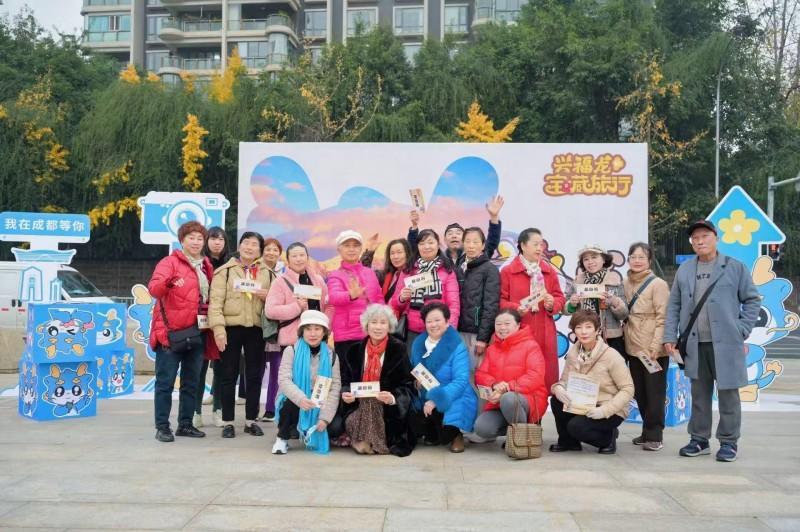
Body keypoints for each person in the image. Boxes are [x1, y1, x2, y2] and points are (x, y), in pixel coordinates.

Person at [663, 219, 760, 462]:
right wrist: (669, 336)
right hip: (695, 344)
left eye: (705, 236)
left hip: (727, 344)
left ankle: (728, 442)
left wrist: (742, 329)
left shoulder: (734, 267)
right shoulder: (685, 270)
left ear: (716, 238)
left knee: (728, 395)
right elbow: (674, 305)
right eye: (695, 238)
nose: (700, 241)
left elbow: (752, 300)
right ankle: (699, 439)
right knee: (699, 395)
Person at [148, 221, 214, 442]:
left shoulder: (205, 265)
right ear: (182, 240)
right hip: (170, 333)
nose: (196, 242)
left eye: (199, 238)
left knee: (191, 382)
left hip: (197, 331)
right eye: (191, 238)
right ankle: (162, 427)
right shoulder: (169, 262)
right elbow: (154, 289)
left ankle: (185, 424)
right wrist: (167, 283)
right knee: (165, 383)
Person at [208, 232, 272, 439]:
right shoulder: (224, 272)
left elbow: (278, 300)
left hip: (256, 329)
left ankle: (251, 420)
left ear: (260, 250)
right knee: (228, 375)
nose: (249, 247)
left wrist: (268, 295)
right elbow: (215, 303)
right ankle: (228, 422)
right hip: (230, 328)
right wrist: (218, 329)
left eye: (254, 244)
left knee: (254, 376)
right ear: (239, 246)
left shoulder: (268, 273)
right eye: (246, 243)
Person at [550, 309, 633, 454]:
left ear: (597, 330)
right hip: (584, 403)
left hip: (608, 407)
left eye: (588, 327)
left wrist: (604, 411)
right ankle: (569, 442)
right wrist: (558, 388)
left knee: (576, 427)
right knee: (557, 401)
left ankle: (608, 437)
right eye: (579, 327)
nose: (583, 332)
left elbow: (628, 389)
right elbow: (564, 381)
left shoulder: (611, 355)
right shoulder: (573, 354)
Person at [340, 304, 417, 456]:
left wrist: (393, 398)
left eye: (383, 322)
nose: (378, 327)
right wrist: (346, 393)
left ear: (389, 326)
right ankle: (368, 442)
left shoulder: (399, 349)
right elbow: (346, 382)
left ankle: (364, 442)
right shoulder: (354, 350)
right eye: (374, 322)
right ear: (366, 325)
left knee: (373, 402)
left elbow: (408, 385)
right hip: (358, 407)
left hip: (388, 410)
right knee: (367, 403)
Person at [499, 228, 566, 390]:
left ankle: (540, 406)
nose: (539, 248)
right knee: (519, 377)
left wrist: (552, 304)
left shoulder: (549, 271)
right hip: (519, 329)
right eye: (535, 244)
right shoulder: (508, 272)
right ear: (523, 245)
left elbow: (559, 297)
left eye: (541, 245)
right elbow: (500, 301)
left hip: (545, 330)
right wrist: (516, 308)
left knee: (543, 379)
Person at [409, 302, 477, 453]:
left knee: (447, 433)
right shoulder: (418, 344)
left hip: (454, 394)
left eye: (437, 320)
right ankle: (435, 430)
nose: (433, 325)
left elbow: (461, 380)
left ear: (447, 322)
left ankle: (456, 435)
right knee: (423, 429)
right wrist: (416, 381)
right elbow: (415, 370)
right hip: (427, 395)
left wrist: (436, 399)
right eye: (429, 321)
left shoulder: (457, 345)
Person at [273, 310, 342, 455]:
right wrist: (301, 399)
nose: (312, 333)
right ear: (302, 332)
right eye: (308, 329)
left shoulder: (332, 356)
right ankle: (282, 438)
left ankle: (309, 428)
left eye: (317, 329)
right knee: (288, 405)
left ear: (324, 332)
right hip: (297, 400)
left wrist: (324, 419)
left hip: (320, 401)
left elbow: (335, 388)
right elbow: (284, 380)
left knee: (335, 427)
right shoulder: (291, 351)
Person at [623, 242, 671, 451]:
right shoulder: (625, 283)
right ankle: (646, 431)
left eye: (642, 257)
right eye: (633, 257)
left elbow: (663, 317)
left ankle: (655, 435)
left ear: (649, 261)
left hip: (652, 350)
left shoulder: (658, 284)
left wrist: (656, 345)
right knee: (640, 393)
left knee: (655, 393)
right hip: (633, 348)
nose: (637, 261)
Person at [473, 309, 548, 442]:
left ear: (518, 325)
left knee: (508, 399)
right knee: (482, 428)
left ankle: (521, 439)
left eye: (507, 323)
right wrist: (494, 385)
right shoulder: (492, 349)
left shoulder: (531, 345)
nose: (502, 328)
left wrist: (507, 388)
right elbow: (480, 375)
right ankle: (517, 429)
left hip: (528, 398)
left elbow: (535, 376)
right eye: (498, 324)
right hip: (500, 401)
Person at [391, 229, 460, 353]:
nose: (426, 247)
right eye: (422, 243)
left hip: (438, 331)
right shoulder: (408, 270)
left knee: (435, 364)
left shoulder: (447, 271)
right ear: (417, 247)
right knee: (412, 364)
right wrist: (402, 298)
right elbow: (395, 303)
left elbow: (454, 305)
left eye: (430, 242)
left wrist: (449, 330)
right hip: (412, 332)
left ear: (438, 245)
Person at [264, 241, 330, 357]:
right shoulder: (280, 282)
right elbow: (270, 311)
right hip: (292, 341)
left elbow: (328, 305)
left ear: (307, 257)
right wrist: (297, 307)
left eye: (302, 255)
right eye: (294, 256)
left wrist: (326, 326)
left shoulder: (318, 280)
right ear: (288, 260)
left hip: (317, 339)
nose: (298, 259)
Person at [564, 244, 628, 356]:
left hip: (610, 338)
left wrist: (614, 301)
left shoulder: (615, 281)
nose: (590, 262)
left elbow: (624, 314)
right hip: (584, 336)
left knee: (612, 367)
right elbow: (564, 308)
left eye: (594, 257)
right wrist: (572, 304)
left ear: (604, 259)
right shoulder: (577, 282)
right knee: (584, 367)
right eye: (586, 259)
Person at [327, 230, 383, 356]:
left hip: (372, 333)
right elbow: (333, 297)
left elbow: (379, 297)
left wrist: (383, 317)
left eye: (355, 245)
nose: (351, 249)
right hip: (347, 336)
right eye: (347, 246)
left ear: (360, 249)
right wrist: (350, 295)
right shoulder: (335, 275)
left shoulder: (369, 272)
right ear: (339, 249)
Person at [408, 195, 505, 267]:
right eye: (450, 234)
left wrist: (494, 217)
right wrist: (414, 225)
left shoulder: (476, 255)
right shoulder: (438, 259)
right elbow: (414, 249)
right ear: (444, 240)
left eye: (458, 233)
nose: (454, 236)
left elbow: (492, 242)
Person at [195, 226, 228, 428]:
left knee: (221, 369)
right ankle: (196, 412)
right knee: (199, 368)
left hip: (223, 322)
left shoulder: (231, 264)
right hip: (201, 323)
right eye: (213, 238)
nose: (217, 243)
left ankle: (218, 410)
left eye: (221, 239)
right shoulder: (198, 263)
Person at [457, 227, 500, 370]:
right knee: (458, 371)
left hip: (476, 334)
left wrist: (483, 338)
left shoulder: (490, 269)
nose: (471, 246)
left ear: (483, 245)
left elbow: (491, 305)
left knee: (474, 373)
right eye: (468, 241)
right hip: (457, 331)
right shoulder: (459, 267)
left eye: (475, 242)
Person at [259, 237, 282, 422]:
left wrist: (270, 296)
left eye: (275, 250)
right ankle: (253, 408)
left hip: (277, 327)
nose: (271, 253)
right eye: (268, 249)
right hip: (257, 326)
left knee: (277, 369)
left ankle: (271, 408)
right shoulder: (254, 270)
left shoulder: (285, 272)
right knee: (257, 369)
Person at [360, 238, 414, 304]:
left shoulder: (413, 275)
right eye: (392, 253)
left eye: (399, 252)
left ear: (407, 254)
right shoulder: (386, 275)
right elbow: (365, 274)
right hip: (384, 309)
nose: (395, 256)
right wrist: (369, 253)